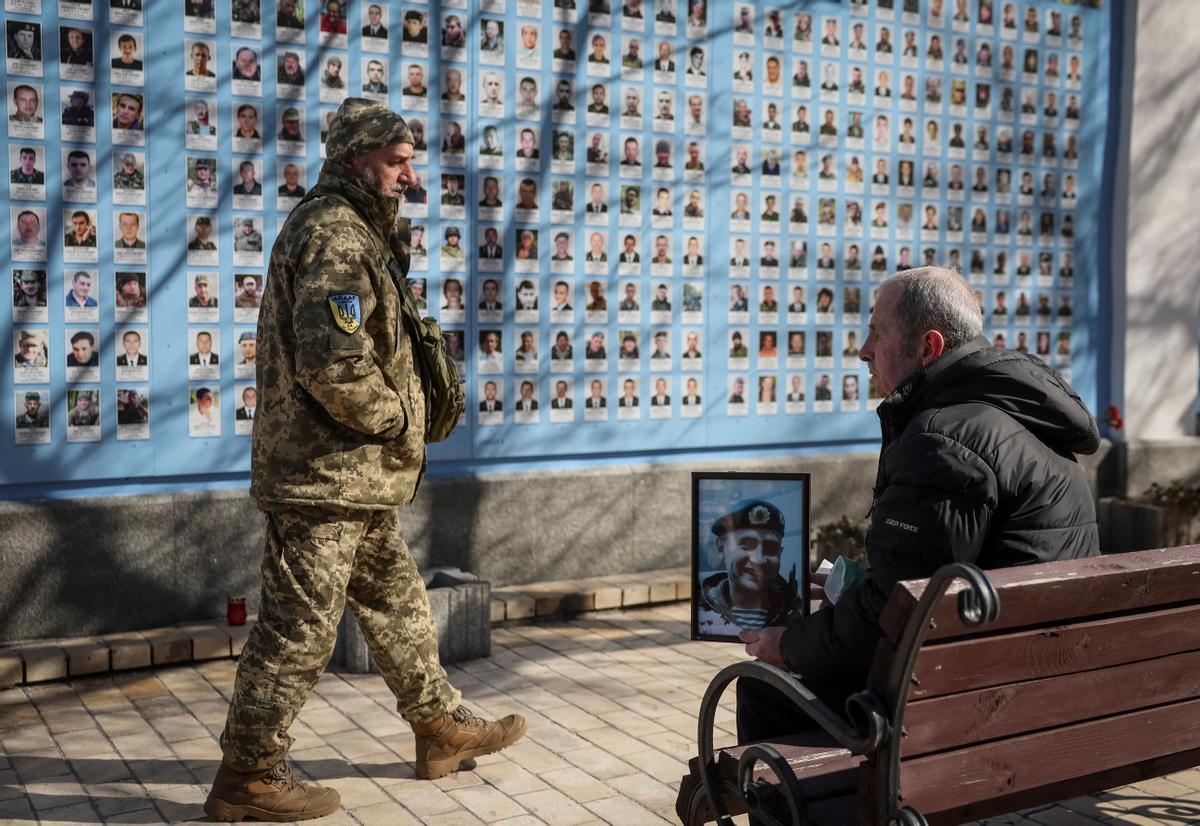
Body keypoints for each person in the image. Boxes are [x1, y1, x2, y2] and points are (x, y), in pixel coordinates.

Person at [205, 99, 527, 822]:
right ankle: (247, 774)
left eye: (410, 160)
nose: (410, 174)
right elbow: (334, 365)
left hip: (355, 476)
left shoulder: (359, 230)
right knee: (300, 626)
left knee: (397, 600)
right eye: (396, 160)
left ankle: (438, 728)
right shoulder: (335, 235)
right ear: (357, 156)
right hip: (325, 476)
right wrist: (402, 419)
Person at [737, 267, 1102, 763]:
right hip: (1044, 684)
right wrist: (851, 589)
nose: (863, 351)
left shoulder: (944, 439)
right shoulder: (1018, 416)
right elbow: (930, 575)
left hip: (970, 707)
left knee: (767, 686)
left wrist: (790, 644)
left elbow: (897, 608)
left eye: (876, 333)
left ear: (928, 347)